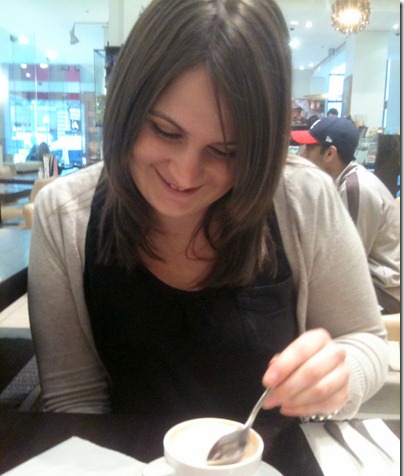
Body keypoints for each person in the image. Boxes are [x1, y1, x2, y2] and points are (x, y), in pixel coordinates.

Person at [28, 0, 388, 420]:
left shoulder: (303, 198)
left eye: (226, 151)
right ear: (126, 105)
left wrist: (339, 377)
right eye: (165, 131)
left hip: (276, 457)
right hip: (121, 459)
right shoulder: (65, 216)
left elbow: (365, 339)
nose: (185, 174)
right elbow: (75, 400)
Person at [291, 117, 400, 314]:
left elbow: (345, 262)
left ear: (330, 153)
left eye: (310, 148)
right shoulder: (343, 181)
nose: (303, 153)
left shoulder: (354, 188)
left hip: (386, 293)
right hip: (374, 283)